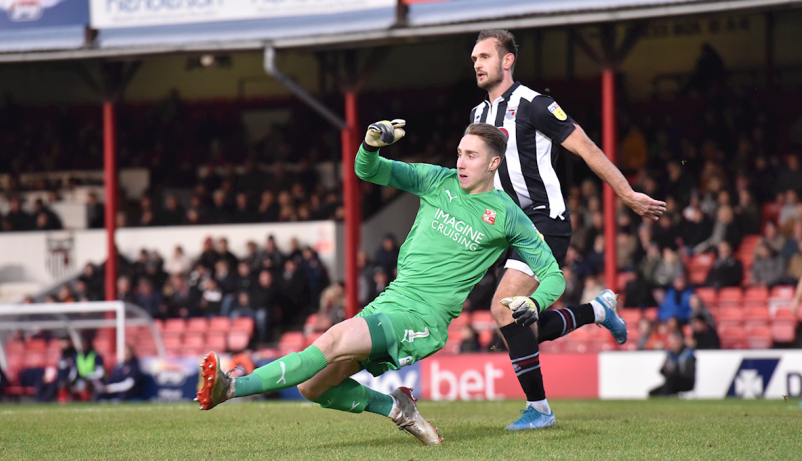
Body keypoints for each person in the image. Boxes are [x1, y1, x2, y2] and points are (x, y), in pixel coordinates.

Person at [197, 120, 602, 446]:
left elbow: (551, 273)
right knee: (315, 389)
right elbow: (367, 170)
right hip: (391, 300)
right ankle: (399, 410)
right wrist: (371, 145)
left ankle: (232, 387)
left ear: (493, 164)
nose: (460, 161)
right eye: (460, 152)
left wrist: (536, 302)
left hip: (424, 318)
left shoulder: (507, 214)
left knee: (334, 340)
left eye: (471, 155)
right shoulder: (435, 180)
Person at [469, 29, 664, 429]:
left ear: (508, 61)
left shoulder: (536, 105)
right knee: (522, 327)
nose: (477, 63)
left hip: (544, 220)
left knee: (502, 308)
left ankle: (540, 410)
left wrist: (625, 193)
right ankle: (597, 310)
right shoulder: (477, 116)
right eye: (474, 58)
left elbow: (587, 147)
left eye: (485, 56)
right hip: (506, 227)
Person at [649, 330, 696, 396]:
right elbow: (662, 370)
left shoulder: (688, 354)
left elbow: (689, 374)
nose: (673, 344)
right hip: (671, 382)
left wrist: (675, 371)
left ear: (680, 341)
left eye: (675, 342)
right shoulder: (670, 355)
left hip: (685, 383)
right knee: (652, 393)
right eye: (671, 342)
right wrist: (668, 371)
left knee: (671, 380)